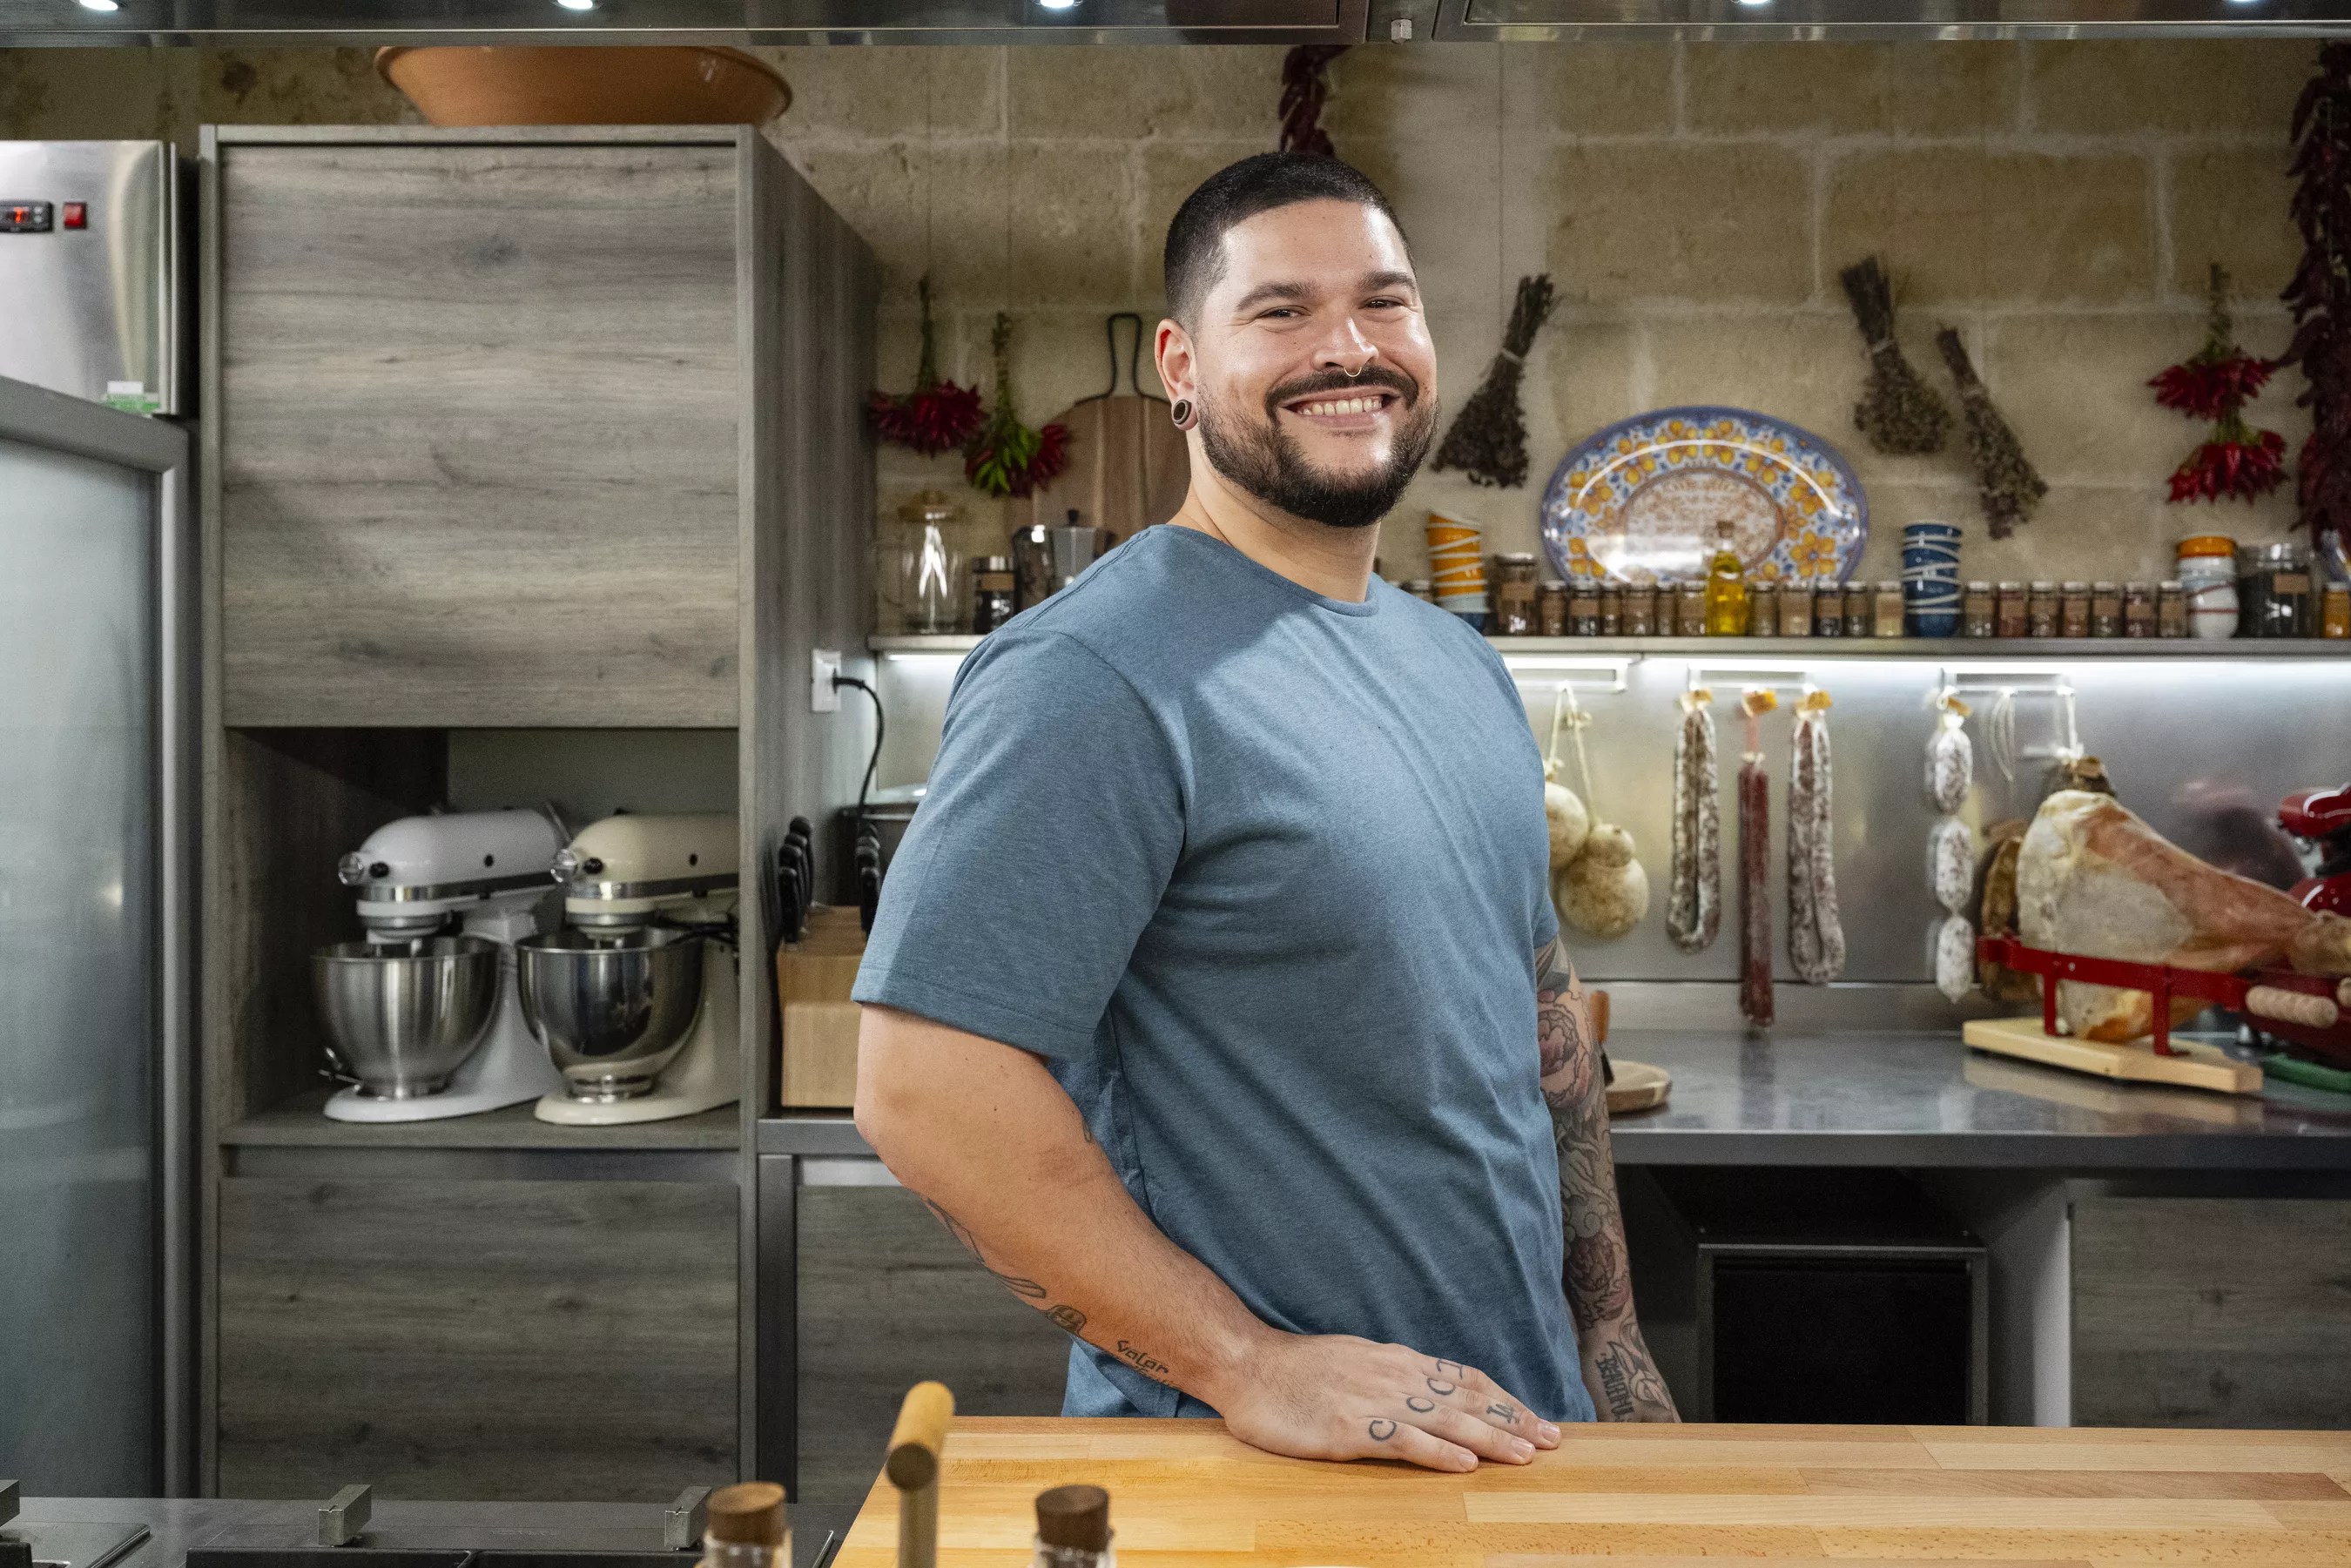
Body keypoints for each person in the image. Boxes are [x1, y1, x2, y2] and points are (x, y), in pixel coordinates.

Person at [853, 151, 1676, 1475]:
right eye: (1281, 311)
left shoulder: (1453, 662)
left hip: (1509, 1433)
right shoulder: (1098, 669)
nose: (1347, 349)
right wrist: (1248, 1362)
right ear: (1180, 364)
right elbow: (922, 1090)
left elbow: (1542, 1035)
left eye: (1384, 304)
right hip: (1256, 1470)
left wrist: (1614, 1361)